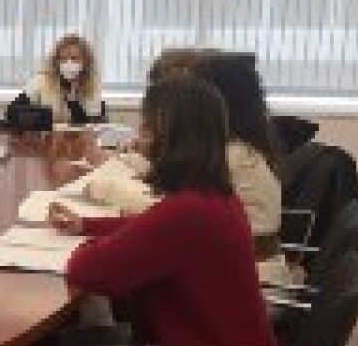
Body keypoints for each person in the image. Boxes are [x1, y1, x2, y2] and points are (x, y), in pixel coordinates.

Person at [50, 73, 278, 346]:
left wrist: (91, 244)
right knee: (91, 334)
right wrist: (87, 225)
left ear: (170, 139)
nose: (138, 141)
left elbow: (86, 270)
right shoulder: (214, 197)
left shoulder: (186, 212)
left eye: (145, 130)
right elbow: (151, 229)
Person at [84, 50, 292, 285]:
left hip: (247, 280)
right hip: (237, 269)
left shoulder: (228, 157)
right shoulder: (239, 148)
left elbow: (167, 211)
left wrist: (103, 189)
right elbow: (169, 194)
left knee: (112, 280)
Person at [13, 33, 105, 125]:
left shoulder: (92, 85)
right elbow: (14, 112)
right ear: (56, 61)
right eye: (63, 58)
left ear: (86, 62)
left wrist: (73, 100)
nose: (69, 63)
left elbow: (93, 122)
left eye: (74, 58)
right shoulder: (41, 82)